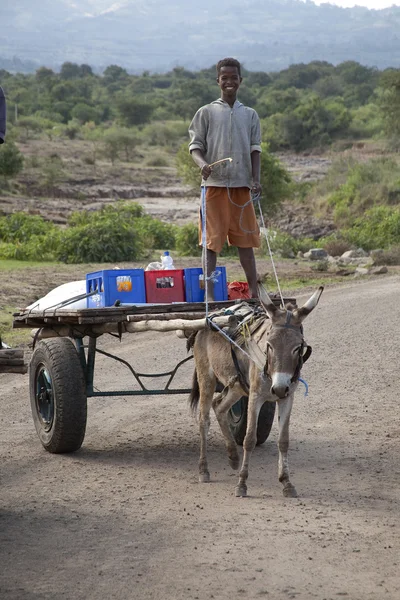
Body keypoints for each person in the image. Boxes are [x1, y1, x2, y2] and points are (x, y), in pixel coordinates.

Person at [188, 57, 262, 300]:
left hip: (241, 187)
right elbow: (195, 146)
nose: (229, 82)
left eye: (233, 78)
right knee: (211, 244)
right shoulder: (206, 112)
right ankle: (210, 295)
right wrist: (203, 164)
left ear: (240, 81)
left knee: (246, 242)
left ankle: (254, 292)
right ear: (217, 81)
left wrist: (255, 179)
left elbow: (255, 149)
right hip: (214, 187)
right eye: (224, 78)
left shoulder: (250, 115)